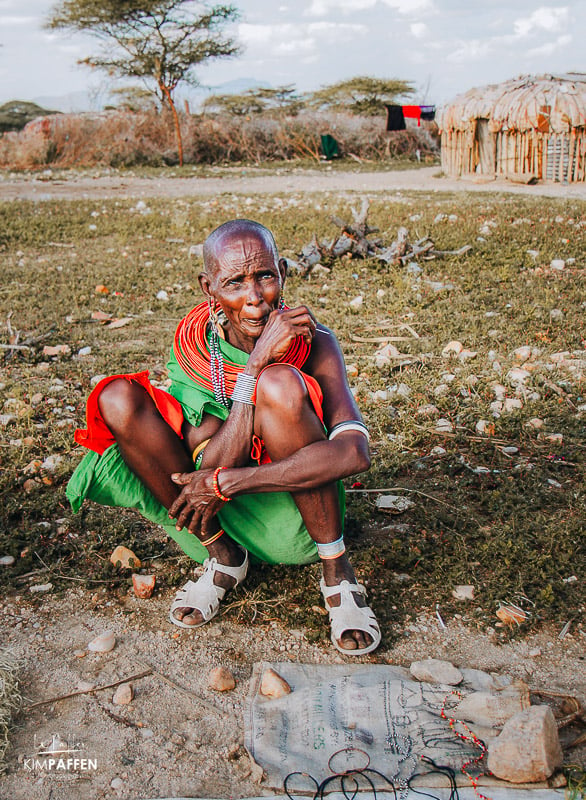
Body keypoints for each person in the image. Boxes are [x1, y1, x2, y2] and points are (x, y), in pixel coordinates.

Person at [67, 219, 380, 655]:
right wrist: (252, 368)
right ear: (208, 288)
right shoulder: (195, 345)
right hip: (208, 515)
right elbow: (208, 463)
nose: (254, 299)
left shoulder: (315, 341)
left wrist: (228, 483)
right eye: (234, 282)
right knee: (118, 397)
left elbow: (355, 453)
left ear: (283, 273)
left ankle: (338, 573)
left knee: (280, 384)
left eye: (265, 276)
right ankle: (225, 560)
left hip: (299, 509)